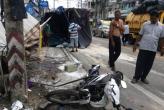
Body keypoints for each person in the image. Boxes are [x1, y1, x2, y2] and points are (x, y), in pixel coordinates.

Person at [131, 10, 164, 84]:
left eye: (154, 18)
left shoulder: (162, 26)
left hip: (153, 49)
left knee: (148, 65)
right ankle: (136, 77)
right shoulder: (145, 24)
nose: (152, 20)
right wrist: (135, 44)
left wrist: (162, 48)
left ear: (157, 17)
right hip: (143, 47)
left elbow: (161, 38)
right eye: (151, 18)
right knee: (140, 63)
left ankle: (143, 77)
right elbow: (140, 35)